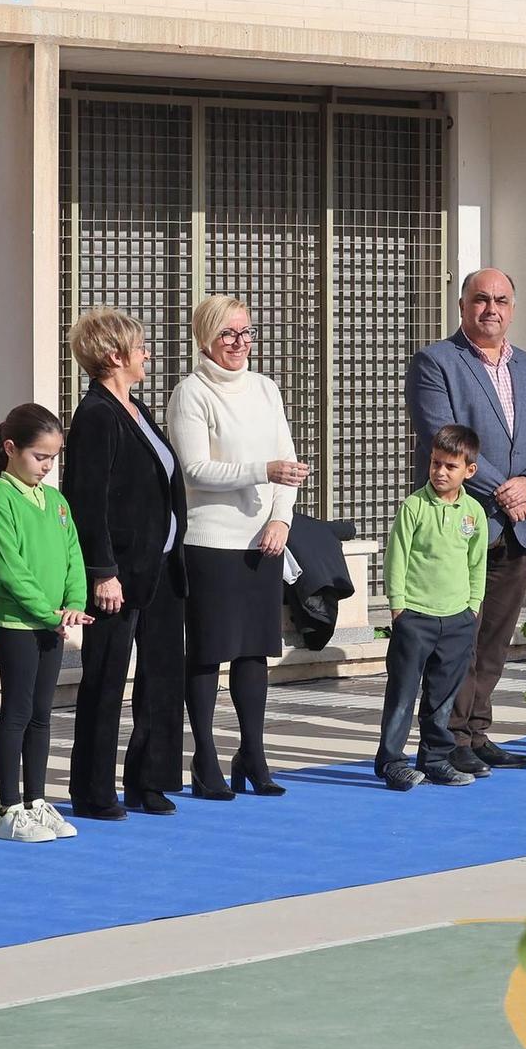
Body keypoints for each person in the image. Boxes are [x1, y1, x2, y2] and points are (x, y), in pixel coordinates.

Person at [407, 268, 526, 779]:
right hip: (460, 524)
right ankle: (447, 739)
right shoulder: (436, 362)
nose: (490, 309)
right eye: (480, 300)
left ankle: (475, 729)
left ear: (513, 308)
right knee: (456, 640)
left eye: (500, 300)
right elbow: (444, 439)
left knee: (494, 639)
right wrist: (503, 488)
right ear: (461, 305)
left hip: (515, 524)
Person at [166, 295, 307, 800]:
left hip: (262, 541)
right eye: (228, 334)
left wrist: (281, 519)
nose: (239, 344)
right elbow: (196, 470)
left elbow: (288, 462)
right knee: (208, 652)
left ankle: (254, 752)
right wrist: (261, 472)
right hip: (210, 540)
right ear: (206, 338)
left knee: (255, 653)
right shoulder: (191, 393)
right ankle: (204, 757)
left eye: (246, 333)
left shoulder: (266, 389)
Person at [63, 309, 189, 819]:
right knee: (105, 680)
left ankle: (149, 782)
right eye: (140, 347)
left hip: (160, 569)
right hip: (121, 573)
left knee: (161, 679)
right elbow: (87, 501)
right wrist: (102, 572)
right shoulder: (96, 415)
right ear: (113, 356)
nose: (147, 355)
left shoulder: (134, 407)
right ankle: (93, 791)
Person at [0, 403, 93, 843]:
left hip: (53, 624)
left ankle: (37, 800)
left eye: (52, 458)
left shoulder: (57, 502)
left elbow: (73, 558)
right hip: (18, 624)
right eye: (39, 457)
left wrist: (74, 603)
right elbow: (11, 570)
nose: (46, 466)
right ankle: (8, 809)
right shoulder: (1, 501)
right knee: (18, 712)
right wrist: (49, 613)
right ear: (11, 449)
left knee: (42, 714)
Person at [377, 423, 487, 789]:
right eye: (435, 463)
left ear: (468, 470)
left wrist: (471, 606)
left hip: (456, 619)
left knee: (442, 695)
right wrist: (399, 608)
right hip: (416, 618)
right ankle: (392, 761)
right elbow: (397, 558)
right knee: (403, 692)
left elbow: (476, 563)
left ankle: (436, 757)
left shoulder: (474, 513)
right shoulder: (413, 507)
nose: (440, 471)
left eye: (450, 466)